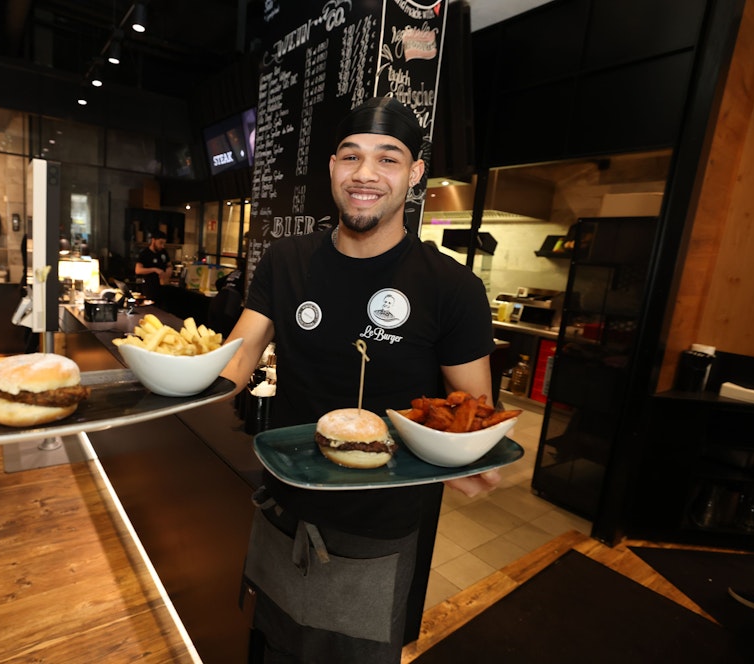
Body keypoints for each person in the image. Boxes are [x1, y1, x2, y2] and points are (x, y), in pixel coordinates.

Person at [219, 97, 502, 663]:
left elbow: (473, 410)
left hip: (379, 530)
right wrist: (162, 389)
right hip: (283, 502)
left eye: (388, 159)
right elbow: (240, 352)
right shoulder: (287, 259)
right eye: (351, 157)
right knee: (270, 646)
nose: (365, 174)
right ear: (332, 168)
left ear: (415, 174)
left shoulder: (452, 288)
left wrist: (465, 457)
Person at [135, 230, 172, 299]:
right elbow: (138, 270)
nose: (162, 246)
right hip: (150, 287)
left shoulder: (164, 252)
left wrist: (169, 270)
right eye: (160, 243)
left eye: (164, 244)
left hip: (163, 286)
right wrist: (154, 269)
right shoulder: (145, 253)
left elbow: (169, 265)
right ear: (153, 240)